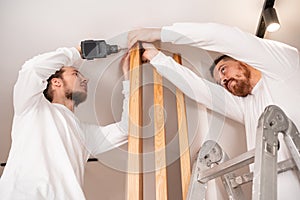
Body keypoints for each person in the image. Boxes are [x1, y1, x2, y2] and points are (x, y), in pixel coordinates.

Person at [127, 22, 300, 199]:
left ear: (241, 60)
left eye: (223, 70)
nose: (224, 80)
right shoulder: (248, 107)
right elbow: (200, 90)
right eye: (220, 82)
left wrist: (159, 32)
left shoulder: (283, 68)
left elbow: (225, 37)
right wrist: (156, 57)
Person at [0, 46, 130, 199]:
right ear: (56, 82)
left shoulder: (84, 134)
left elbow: (127, 129)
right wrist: (79, 51)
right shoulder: (32, 107)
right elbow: (32, 69)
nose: (85, 79)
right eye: (75, 74)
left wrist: (128, 79)